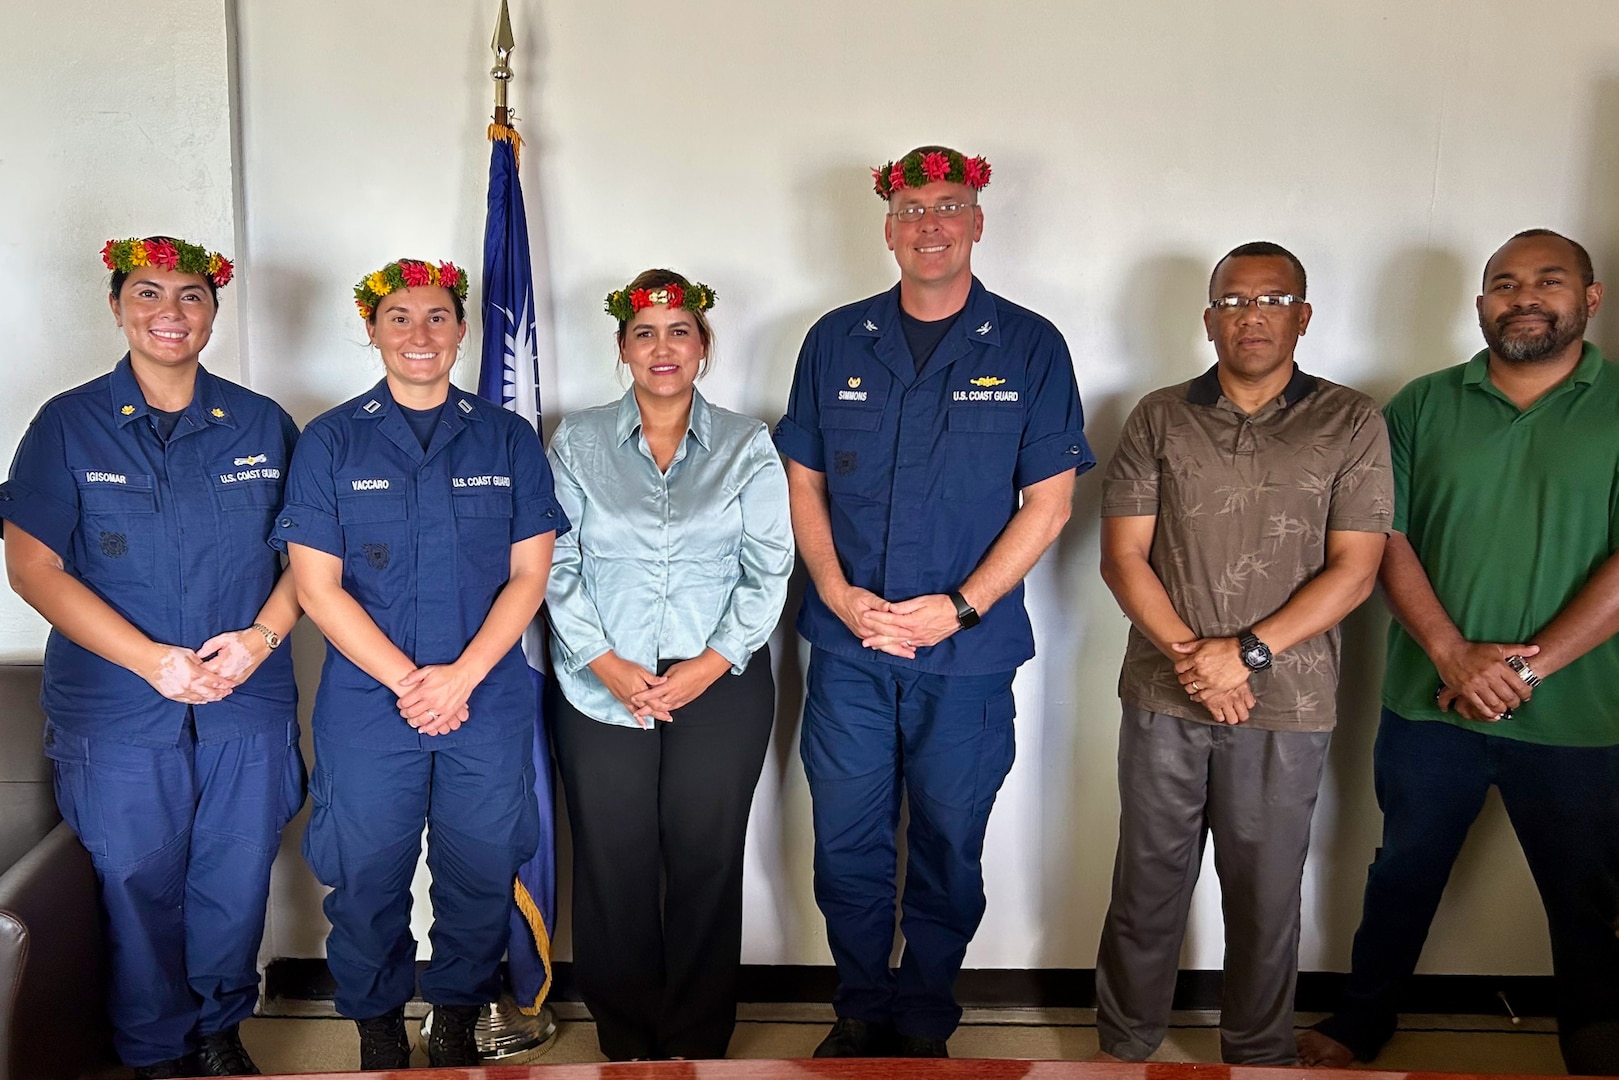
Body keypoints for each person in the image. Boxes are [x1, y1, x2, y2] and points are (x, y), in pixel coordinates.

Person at [773, 146, 1091, 1058]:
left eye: (949, 206)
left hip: (968, 656)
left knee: (949, 842)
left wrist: (958, 607)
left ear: (978, 221)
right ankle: (861, 1008)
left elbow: (1051, 502)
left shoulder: (1031, 344)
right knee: (848, 842)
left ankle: (923, 1020)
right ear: (887, 228)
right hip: (851, 652)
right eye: (912, 209)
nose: (931, 224)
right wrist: (834, 593)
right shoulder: (835, 338)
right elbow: (802, 482)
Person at [1298, 229, 1619, 1077]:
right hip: (1427, 702)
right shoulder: (1418, 404)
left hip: (1580, 714)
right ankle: (1363, 1019)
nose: (1524, 297)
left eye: (1548, 281)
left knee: (1587, 892)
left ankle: (1592, 1036)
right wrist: (1450, 654)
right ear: (1480, 305)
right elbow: (1382, 536)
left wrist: (1521, 669)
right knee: (1402, 869)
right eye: (1504, 284)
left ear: (1588, 299)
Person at [0, 237, 302, 1078]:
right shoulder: (67, 423)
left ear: (213, 309)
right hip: (118, 706)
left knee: (236, 873)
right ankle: (153, 1046)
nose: (170, 313)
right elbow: (32, 565)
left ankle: (218, 1030)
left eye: (190, 296)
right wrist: (149, 661)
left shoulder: (260, 421)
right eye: (147, 293)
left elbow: (308, 566)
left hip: (245, 699)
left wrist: (261, 638)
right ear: (116, 307)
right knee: (137, 881)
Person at [1092, 241, 1391, 1065]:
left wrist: (1245, 656)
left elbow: (1356, 568)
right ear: (1208, 319)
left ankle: (1257, 1051)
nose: (1248, 315)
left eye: (1270, 298)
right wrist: (1197, 659)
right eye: (1230, 301)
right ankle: (1122, 1045)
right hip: (1163, 689)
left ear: (1301, 314)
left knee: (1264, 892)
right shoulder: (1158, 413)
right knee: (1147, 883)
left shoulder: (1350, 418)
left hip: (1288, 698)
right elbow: (1122, 558)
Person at [272, 258, 564, 1070]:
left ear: (463, 329)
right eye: (398, 317)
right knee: (365, 876)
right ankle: (376, 1029)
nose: (419, 334)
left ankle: (460, 1020)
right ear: (371, 331)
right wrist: (412, 683)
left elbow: (529, 575)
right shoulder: (332, 439)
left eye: (437, 316)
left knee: (478, 869)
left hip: (485, 698)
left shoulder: (506, 437)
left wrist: (460, 677)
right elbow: (316, 585)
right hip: (372, 706)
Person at [544, 270, 793, 1060]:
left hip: (718, 684)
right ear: (622, 347)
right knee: (612, 863)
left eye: (678, 331)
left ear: (704, 347)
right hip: (597, 682)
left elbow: (769, 567)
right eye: (644, 333)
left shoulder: (749, 444)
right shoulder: (576, 441)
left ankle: (694, 1042)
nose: (662, 348)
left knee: (705, 859)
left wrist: (709, 663)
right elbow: (556, 561)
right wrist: (604, 660)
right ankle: (626, 1043)